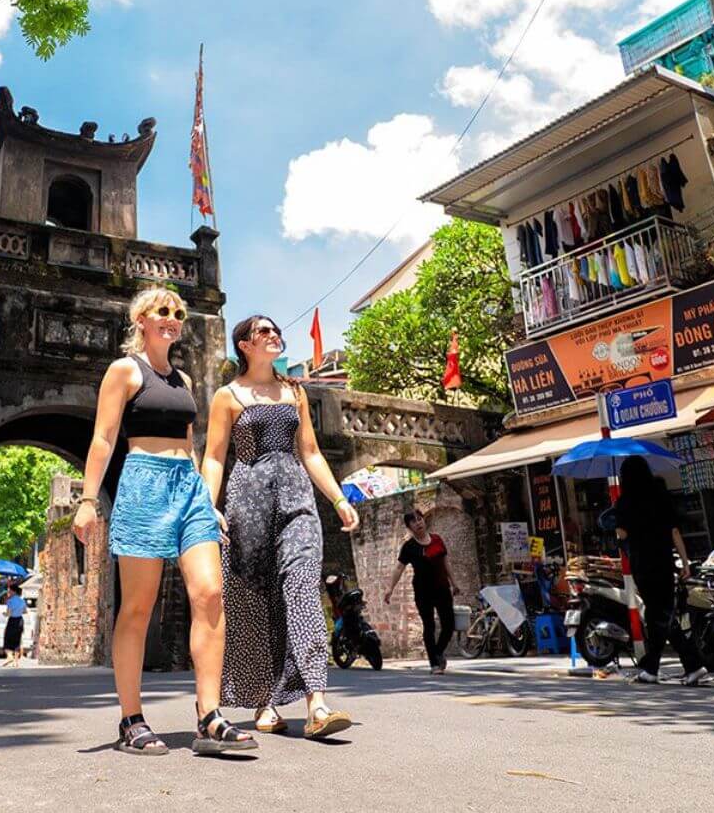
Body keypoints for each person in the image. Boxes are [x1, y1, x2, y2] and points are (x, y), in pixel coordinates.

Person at [73, 287, 256, 756]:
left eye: (178, 312)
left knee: (211, 593)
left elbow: (191, 444)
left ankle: (209, 716)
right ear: (141, 319)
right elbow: (103, 437)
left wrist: (203, 495)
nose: (173, 318)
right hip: (143, 484)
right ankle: (131, 719)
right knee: (138, 606)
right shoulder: (124, 371)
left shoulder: (185, 380)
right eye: (163, 311)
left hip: (187, 488)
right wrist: (89, 499)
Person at [202, 315, 358, 739]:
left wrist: (339, 498)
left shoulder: (294, 392)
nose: (273, 336)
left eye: (275, 331)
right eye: (263, 332)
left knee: (304, 587)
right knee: (255, 599)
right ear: (244, 345)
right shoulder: (227, 396)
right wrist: (207, 505)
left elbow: (310, 452)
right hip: (247, 503)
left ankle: (317, 702)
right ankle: (263, 700)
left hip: (296, 498)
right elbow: (215, 457)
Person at [613, 455, 707, 686]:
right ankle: (663, 666)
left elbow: (622, 535)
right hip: (664, 563)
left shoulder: (625, 502)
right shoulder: (660, 496)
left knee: (659, 616)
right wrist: (685, 563)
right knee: (662, 615)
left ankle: (678, 665)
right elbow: (675, 532)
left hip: (643, 565)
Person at [384, 509, 461, 674]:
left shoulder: (437, 540)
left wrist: (454, 583)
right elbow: (399, 568)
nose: (418, 523)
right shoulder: (409, 547)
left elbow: (446, 563)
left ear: (424, 521)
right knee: (429, 625)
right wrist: (390, 588)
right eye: (413, 522)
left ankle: (438, 652)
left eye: (419, 519)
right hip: (423, 591)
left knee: (449, 625)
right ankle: (434, 663)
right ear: (409, 527)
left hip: (442, 588)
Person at [2, 583, 27, 667]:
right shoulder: (22, 600)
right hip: (20, 620)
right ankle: (16, 662)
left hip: (12, 620)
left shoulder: (10, 601)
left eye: (9, 591)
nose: (8, 593)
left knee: (7, 639)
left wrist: (4, 614)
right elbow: (25, 611)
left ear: (13, 591)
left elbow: (9, 613)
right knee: (17, 640)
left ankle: (9, 656)